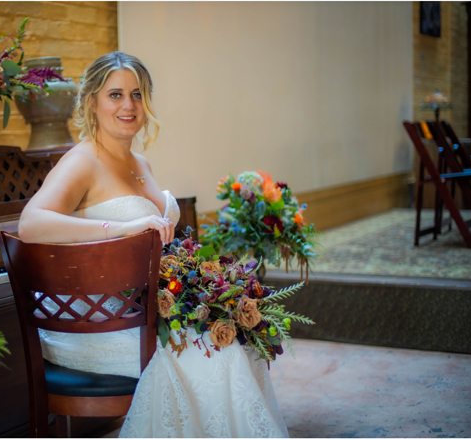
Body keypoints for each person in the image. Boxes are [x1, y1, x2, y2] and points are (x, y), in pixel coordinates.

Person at [18, 51, 289, 438]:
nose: (128, 105)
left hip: (145, 312)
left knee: (237, 339)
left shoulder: (141, 164)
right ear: (92, 102)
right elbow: (29, 224)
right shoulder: (82, 161)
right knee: (218, 354)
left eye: (137, 94)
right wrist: (120, 227)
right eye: (115, 95)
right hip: (94, 326)